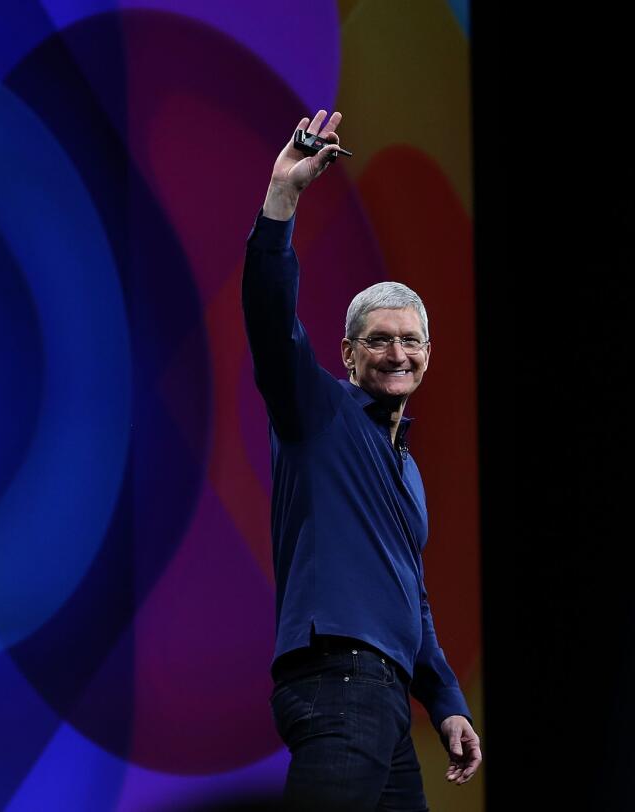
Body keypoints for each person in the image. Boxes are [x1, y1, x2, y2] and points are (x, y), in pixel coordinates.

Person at [242, 110, 482, 810]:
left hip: (383, 701)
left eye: (411, 341)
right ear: (348, 354)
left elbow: (414, 599)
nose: (397, 352)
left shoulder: (407, 472)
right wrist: (281, 197)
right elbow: (269, 322)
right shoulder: (317, 412)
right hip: (336, 681)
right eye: (378, 340)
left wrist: (447, 702)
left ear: (428, 357)